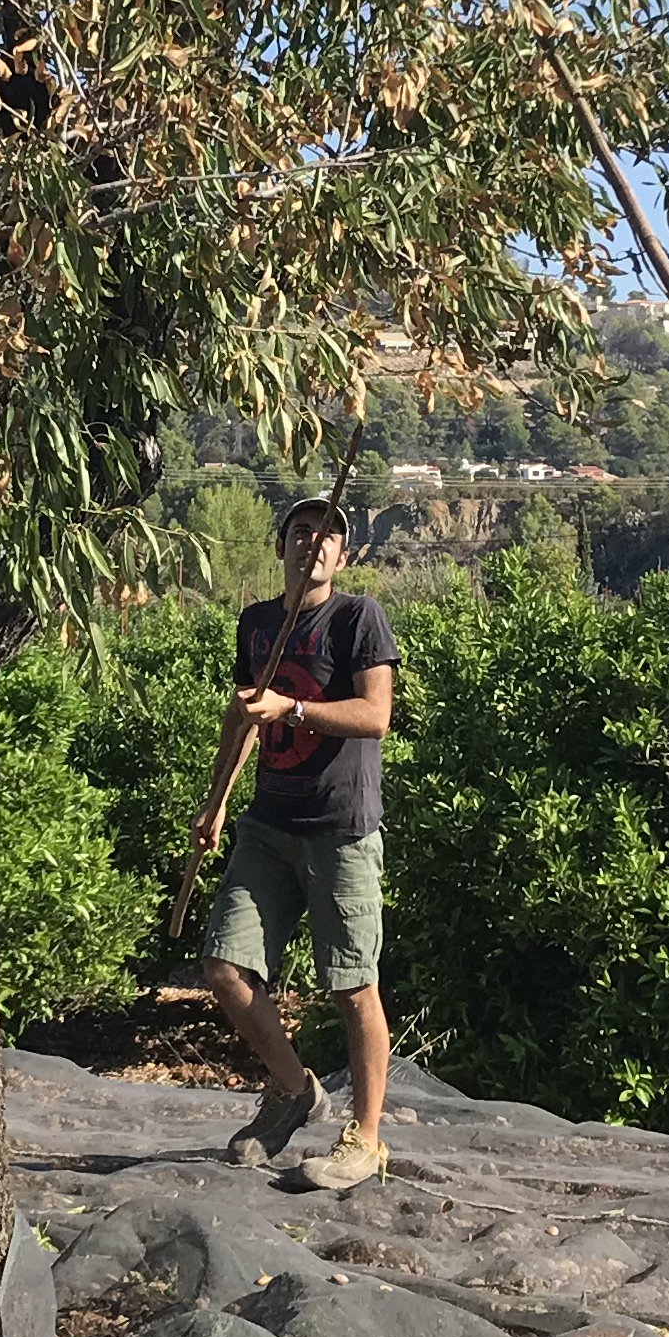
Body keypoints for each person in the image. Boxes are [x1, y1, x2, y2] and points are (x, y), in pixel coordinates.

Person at [189, 493, 400, 1194]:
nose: (314, 543)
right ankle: (293, 1088)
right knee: (224, 967)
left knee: (352, 988)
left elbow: (376, 716)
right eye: (301, 532)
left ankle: (365, 1141)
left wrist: (297, 707)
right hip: (267, 826)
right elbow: (243, 716)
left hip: (340, 830)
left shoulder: (357, 618)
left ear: (343, 555)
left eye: (328, 536)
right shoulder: (256, 623)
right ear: (281, 546)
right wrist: (215, 802)